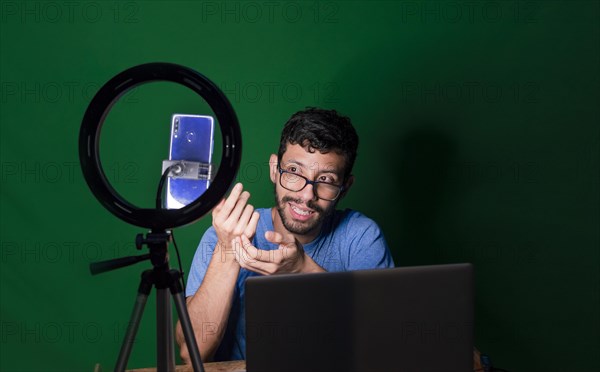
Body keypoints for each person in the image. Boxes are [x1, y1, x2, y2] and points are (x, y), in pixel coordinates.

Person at [176, 108, 394, 363]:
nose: (306, 195)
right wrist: (229, 250)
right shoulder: (226, 232)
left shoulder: (361, 237)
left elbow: (382, 343)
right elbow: (193, 353)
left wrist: (303, 269)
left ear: (345, 187)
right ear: (273, 169)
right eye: (294, 171)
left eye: (326, 179)